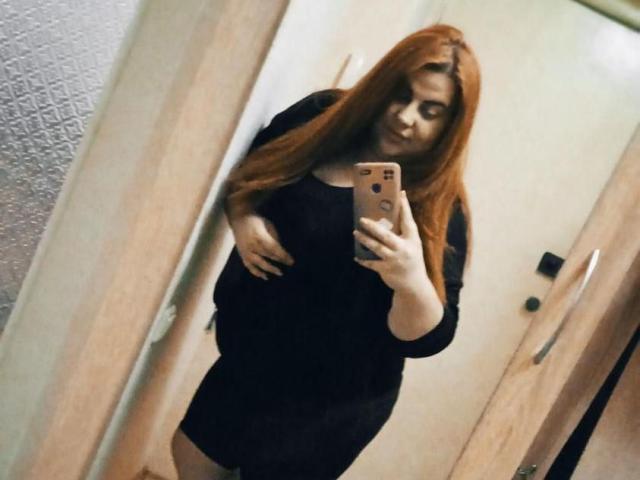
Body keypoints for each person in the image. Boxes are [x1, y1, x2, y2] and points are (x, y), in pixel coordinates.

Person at [172, 23, 481, 480]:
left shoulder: (438, 205)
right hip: (251, 360)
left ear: (449, 126)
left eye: (430, 111)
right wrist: (244, 219)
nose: (406, 117)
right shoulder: (321, 116)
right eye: (401, 95)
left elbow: (428, 338)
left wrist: (410, 279)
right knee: (191, 454)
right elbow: (252, 171)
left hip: (330, 402)